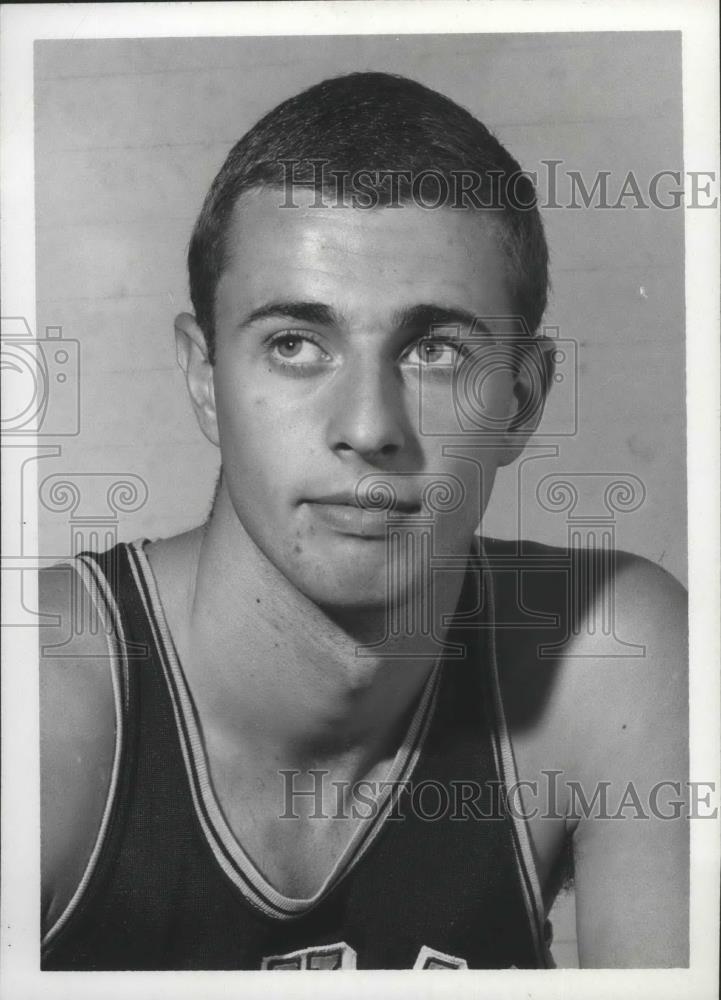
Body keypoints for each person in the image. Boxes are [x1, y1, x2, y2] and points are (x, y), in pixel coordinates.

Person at [38, 72, 688, 970]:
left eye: (433, 351)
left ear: (523, 399)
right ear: (202, 377)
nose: (368, 428)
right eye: (295, 345)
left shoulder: (606, 649)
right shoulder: (40, 699)